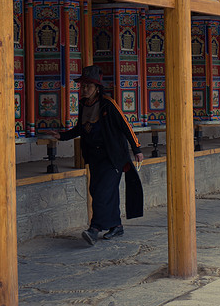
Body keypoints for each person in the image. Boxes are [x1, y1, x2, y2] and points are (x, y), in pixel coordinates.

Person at [40, 65, 144, 245]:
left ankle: (94, 229)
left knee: (104, 191)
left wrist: (137, 149)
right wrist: (62, 136)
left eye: (88, 86)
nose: (85, 89)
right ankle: (116, 226)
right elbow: (81, 129)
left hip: (113, 156)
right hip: (95, 157)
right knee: (97, 191)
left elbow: (126, 126)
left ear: (97, 88)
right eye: (83, 85)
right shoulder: (83, 105)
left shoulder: (108, 104)